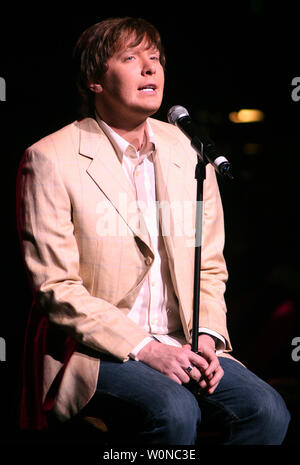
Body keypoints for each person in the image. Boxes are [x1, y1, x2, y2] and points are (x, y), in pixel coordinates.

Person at [16, 17, 290, 445]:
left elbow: (209, 265)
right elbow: (56, 287)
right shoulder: (51, 158)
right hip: (97, 349)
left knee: (268, 410)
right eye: (130, 59)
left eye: (155, 59)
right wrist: (145, 348)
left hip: (183, 341)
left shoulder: (189, 152)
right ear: (94, 80)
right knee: (173, 410)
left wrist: (206, 335)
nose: (150, 69)